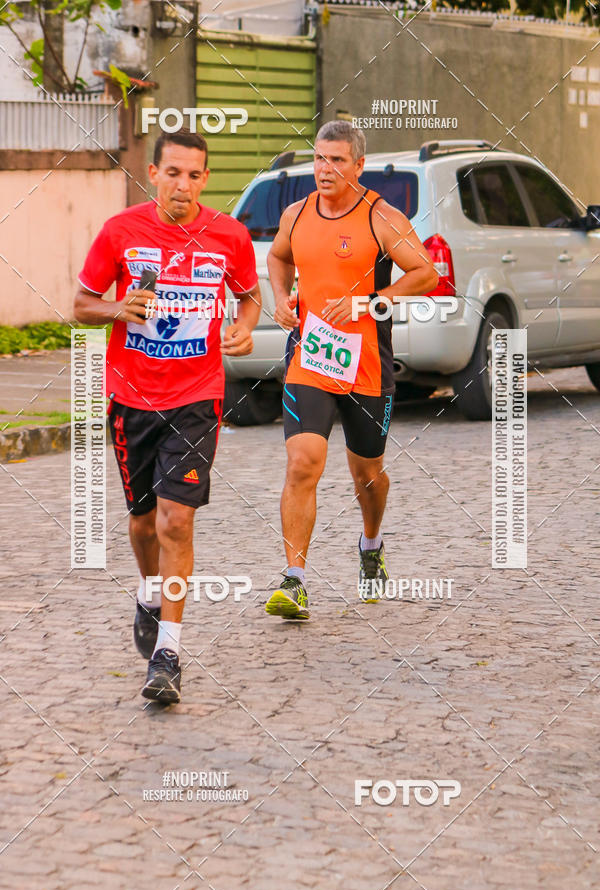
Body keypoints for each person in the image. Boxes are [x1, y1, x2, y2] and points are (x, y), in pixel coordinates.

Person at [74, 129, 261, 703]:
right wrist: (116, 307)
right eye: (172, 172)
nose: (183, 184)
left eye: (194, 175)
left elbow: (250, 295)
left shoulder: (228, 236)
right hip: (131, 397)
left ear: (206, 179)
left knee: (176, 522)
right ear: (152, 173)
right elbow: (81, 307)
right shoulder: (120, 232)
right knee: (142, 521)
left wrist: (245, 328)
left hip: (197, 395)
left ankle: (168, 654)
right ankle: (150, 591)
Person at [265, 119, 438, 618]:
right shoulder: (296, 214)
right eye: (320, 158)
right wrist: (280, 297)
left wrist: (368, 303)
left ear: (358, 165)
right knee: (302, 464)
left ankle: (371, 544)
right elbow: (278, 259)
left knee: (368, 475)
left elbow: (425, 272)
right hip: (309, 357)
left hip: (366, 365)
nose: (325, 169)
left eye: (337, 160)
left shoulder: (380, 217)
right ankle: (294, 580)